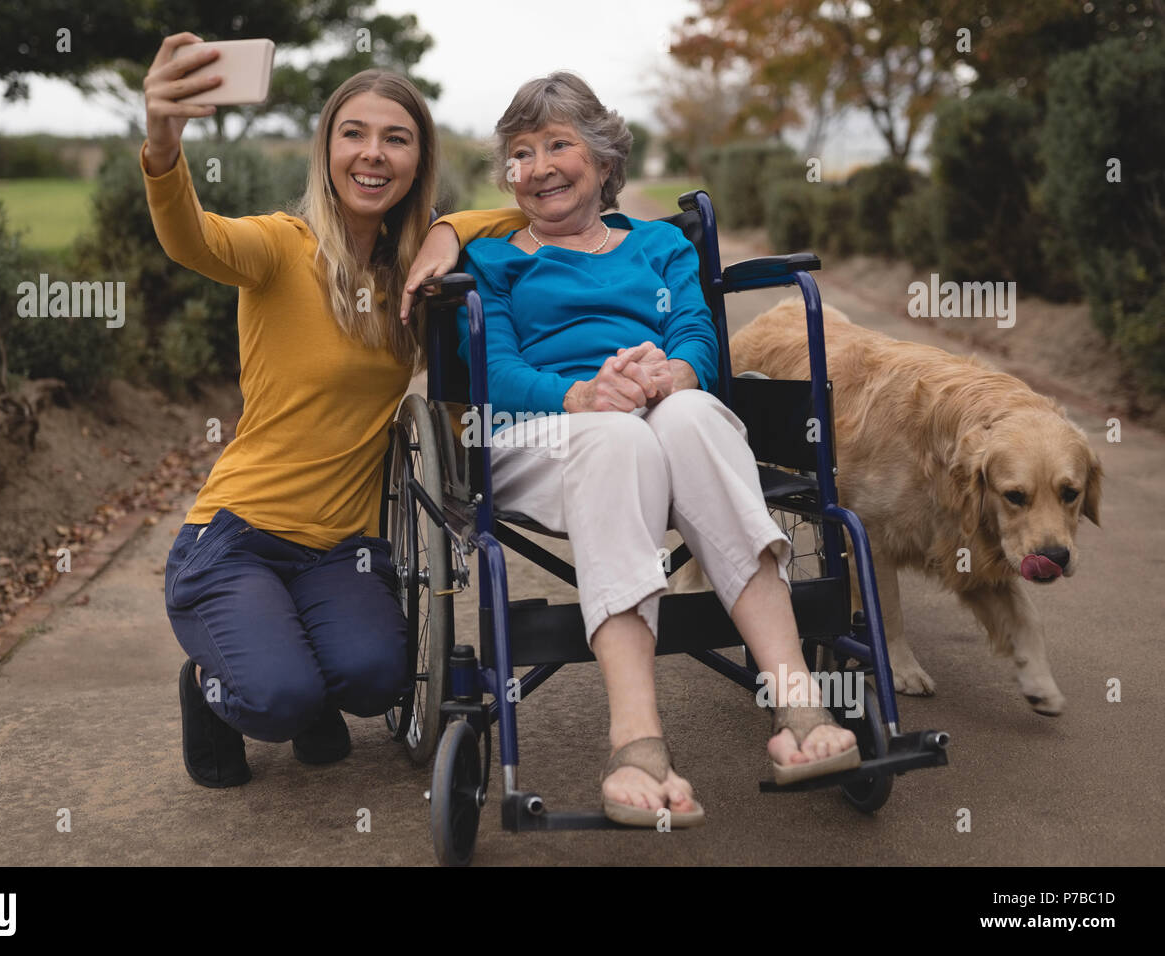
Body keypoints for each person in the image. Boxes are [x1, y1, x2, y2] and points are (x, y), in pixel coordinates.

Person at [402, 72, 859, 827]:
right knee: (618, 437)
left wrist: (673, 373)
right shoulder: (491, 263)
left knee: (694, 417)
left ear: (606, 159)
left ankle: (799, 705)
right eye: (522, 153)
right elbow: (502, 372)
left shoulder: (657, 246)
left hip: (658, 419)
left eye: (559, 144)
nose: (540, 166)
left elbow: (694, 332)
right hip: (541, 437)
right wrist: (580, 395)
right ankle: (636, 740)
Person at [142, 33, 520, 787]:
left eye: (396, 139)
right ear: (327, 149)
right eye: (354, 133)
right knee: (279, 701)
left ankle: (296, 665)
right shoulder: (281, 248)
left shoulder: (412, 278)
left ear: (418, 162)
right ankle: (214, 691)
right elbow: (191, 238)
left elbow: (519, 219)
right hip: (239, 536)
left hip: (340, 549)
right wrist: (161, 137)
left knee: (378, 681)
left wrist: (446, 229)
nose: (373, 154)